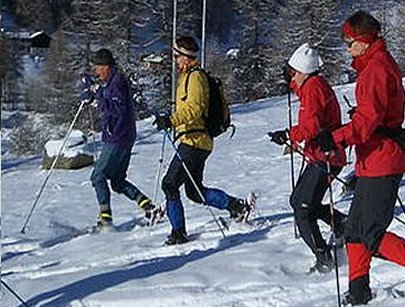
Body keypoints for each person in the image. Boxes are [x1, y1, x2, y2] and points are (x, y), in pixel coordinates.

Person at [315, 11, 405, 305]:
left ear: (362, 41)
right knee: (354, 231)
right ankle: (359, 290)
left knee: (371, 234)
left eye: (349, 42)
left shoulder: (375, 69)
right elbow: (373, 117)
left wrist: (333, 137)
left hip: (382, 161)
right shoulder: (375, 65)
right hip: (372, 159)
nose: (346, 48)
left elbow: (365, 126)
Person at [153, 36, 252, 245]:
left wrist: (171, 120)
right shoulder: (187, 77)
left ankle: (178, 232)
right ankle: (237, 206)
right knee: (195, 192)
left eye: (177, 56)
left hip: (194, 141)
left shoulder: (195, 77)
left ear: (186, 57)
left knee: (170, 184)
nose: (175, 60)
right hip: (195, 141)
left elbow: (195, 108)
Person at [268, 43, 348, 273]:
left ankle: (324, 257)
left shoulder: (313, 88)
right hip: (322, 155)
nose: (291, 77)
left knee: (302, 208)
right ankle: (341, 224)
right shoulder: (313, 86)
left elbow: (311, 126)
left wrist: (288, 134)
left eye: (293, 72)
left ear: (303, 71)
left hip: (327, 156)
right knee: (300, 202)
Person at [83, 48, 156, 230]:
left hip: (117, 137)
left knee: (97, 176)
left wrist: (97, 97)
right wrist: (96, 92)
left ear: (106, 66)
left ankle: (105, 219)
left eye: (98, 68)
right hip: (122, 136)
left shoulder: (117, 82)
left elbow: (117, 109)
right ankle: (148, 206)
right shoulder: (112, 82)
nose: (96, 72)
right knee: (117, 181)